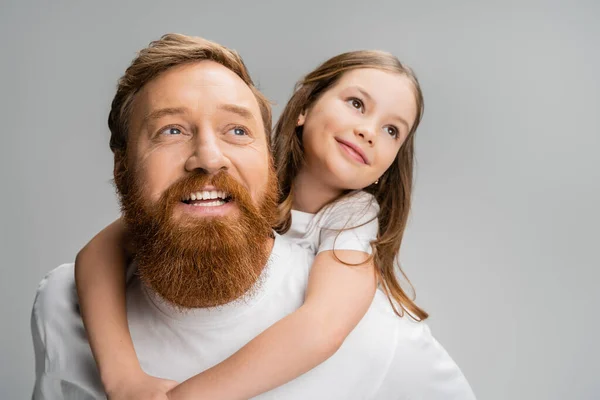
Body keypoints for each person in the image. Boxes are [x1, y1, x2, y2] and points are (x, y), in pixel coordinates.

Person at [31, 33, 476, 400]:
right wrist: (123, 376)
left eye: (392, 130)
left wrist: (184, 397)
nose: (368, 131)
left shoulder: (353, 219)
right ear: (303, 108)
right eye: (357, 104)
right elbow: (100, 251)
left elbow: (320, 327)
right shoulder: (243, 184)